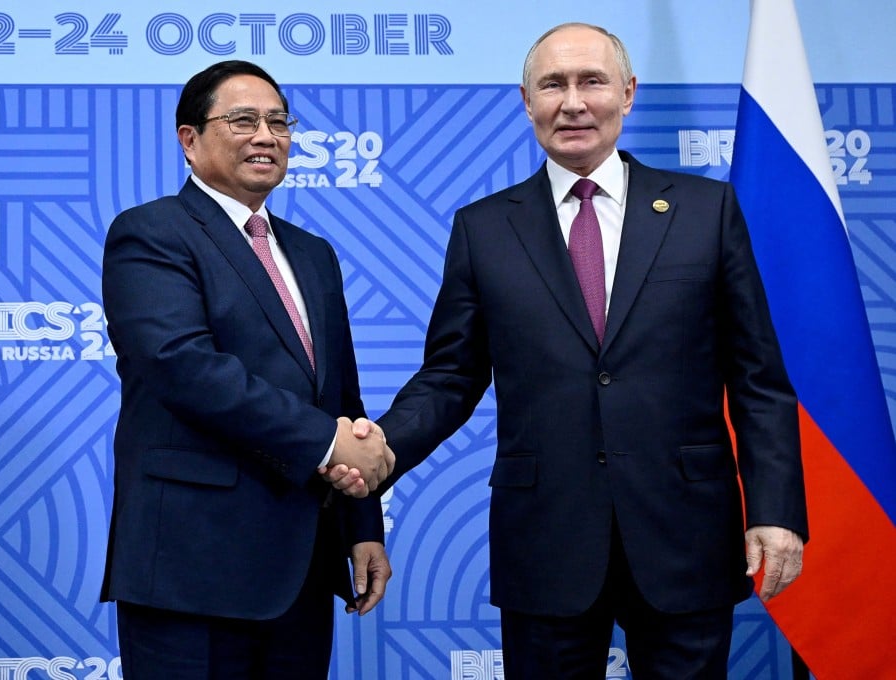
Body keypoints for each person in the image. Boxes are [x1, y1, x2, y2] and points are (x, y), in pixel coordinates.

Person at [341, 22, 808, 679]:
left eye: (592, 81)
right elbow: (451, 375)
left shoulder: (707, 211)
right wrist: (383, 445)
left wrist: (776, 510)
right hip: (546, 539)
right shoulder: (483, 228)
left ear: (628, 93)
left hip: (686, 532)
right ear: (526, 100)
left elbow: (758, 379)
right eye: (552, 85)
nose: (573, 102)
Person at [100, 59, 394, 680]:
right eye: (243, 120)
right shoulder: (151, 233)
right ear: (189, 139)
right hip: (190, 569)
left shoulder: (313, 254)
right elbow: (183, 366)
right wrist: (327, 442)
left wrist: (362, 525)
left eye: (279, 122)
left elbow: (342, 398)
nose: (266, 136)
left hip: (301, 567)